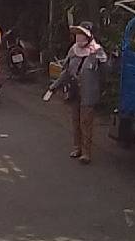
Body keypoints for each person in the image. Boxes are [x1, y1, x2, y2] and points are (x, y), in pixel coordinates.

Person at [45, 21, 109, 164]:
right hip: (74, 91)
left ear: (89, 36)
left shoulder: (97, 52)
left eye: (82, 34)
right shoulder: (73, 50)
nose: (79, 37)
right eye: (77, 34)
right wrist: (54, 86)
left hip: (89, 92)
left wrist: (101, 89)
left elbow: (105, 73)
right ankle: (77, 148)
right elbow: (66, 72)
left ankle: (86, 153)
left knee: (86, 122)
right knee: (75, 120)